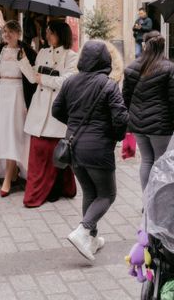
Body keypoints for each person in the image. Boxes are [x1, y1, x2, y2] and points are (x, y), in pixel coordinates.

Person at [52, 40, 128, 262]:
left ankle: (91, 239)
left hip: (73, 146)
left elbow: (57, 110)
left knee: (89, 193)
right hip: (98, 149)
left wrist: (74, 124)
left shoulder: (70, 82)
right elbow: (121, 118)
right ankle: (83, 230)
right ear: (105, 60)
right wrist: (115, 136)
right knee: (107, 194)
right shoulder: (109, 84)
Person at [19, 20, 78, 207]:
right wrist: (22, 62)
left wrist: (43, 78)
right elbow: (32, 78)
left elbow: (66, 82)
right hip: (39, 109)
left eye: (51, 32)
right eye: (46, 32)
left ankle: (56, 188)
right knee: (38, 153)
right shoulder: (43, 52)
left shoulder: (71, 56)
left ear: (61, 34)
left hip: (57, 111)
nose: (47, 36)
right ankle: (37, 192)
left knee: (57, 155)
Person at [0, 20, 37, 196]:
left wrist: (23, 60)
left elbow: (32, 79)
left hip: (18, 96)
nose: (7, 35)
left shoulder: (27, 51)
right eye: (5, 32)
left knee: (14, 132)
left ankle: (8, 176)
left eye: (11, 32)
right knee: (2, 132)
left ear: (18, 33)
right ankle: (11, 170)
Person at [122, 31, 174, 192]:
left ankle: (147, 201)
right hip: (161, 126)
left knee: (146, 161)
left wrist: (128, 124)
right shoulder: (169, 68)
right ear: (162, 47)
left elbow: (125, 99)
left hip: (138, 125)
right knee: (161, 161)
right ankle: (158, 202)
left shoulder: (131, 68)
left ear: (144, 46)